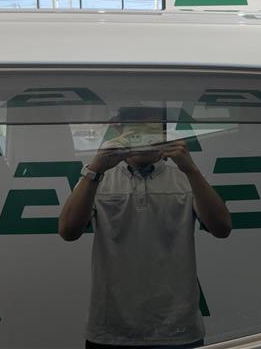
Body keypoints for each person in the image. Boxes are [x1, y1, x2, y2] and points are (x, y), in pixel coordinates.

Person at [58, 108, 232, 349]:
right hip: (110, 328)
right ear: (119, 132)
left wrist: (191, 169)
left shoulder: (186, 177)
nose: (142, 140)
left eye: (151, 131)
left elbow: (222, 228)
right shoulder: (98, 178)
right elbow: (68, 231)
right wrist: (95, 169)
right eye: (135, 132)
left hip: (177, 329)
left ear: (165, 134)